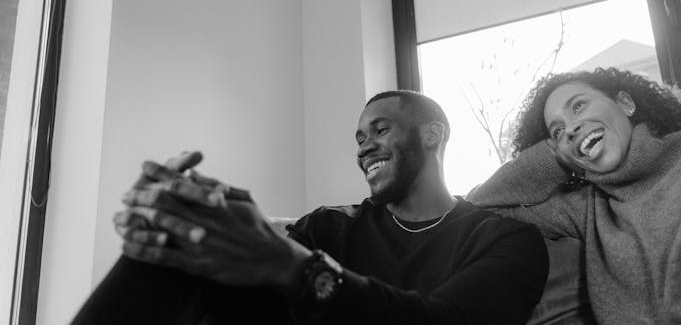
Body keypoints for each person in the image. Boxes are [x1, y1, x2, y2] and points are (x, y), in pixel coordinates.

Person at [72, 90, 548, 324]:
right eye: (359, 139)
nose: (364, 148)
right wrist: (187, 220)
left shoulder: (507, 241)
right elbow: (252, 276)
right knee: (181, 240)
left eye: (380, 130)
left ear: (432, 134)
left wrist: (299, 269)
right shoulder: (328, 226)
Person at [467, 67, 681, 324]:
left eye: (578, 106)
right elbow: (476, 208)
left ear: (625, 103)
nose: (571, 128)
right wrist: (555, 157)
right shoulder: (588, 209)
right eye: (558, 130)